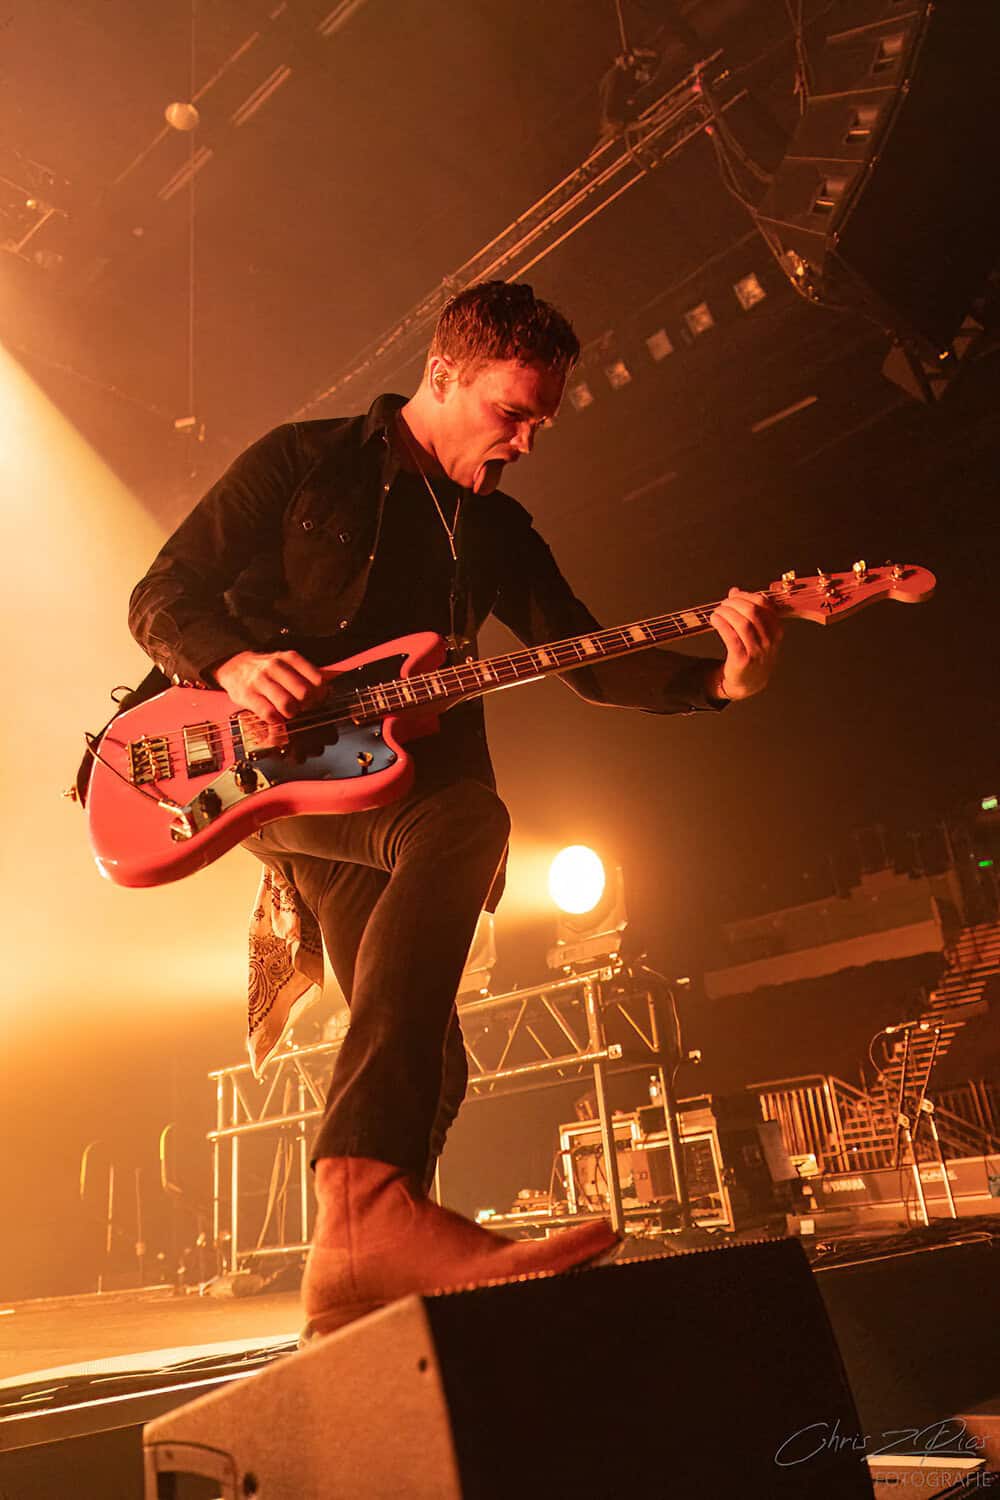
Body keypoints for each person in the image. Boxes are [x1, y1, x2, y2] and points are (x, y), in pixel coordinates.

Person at [129, 281, 782, 1334]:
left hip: (380, 793)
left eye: (541, 422)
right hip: (253, 768)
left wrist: (720, 679)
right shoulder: (307, 462)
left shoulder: (497, 530)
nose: (525, 440)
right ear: (442, 375)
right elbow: (160, 594)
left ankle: (360, 1304)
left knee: (430, 1061)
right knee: (467, 822)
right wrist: (237, 663)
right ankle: (362, 1207)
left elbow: (584, 657)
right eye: (510, 412)